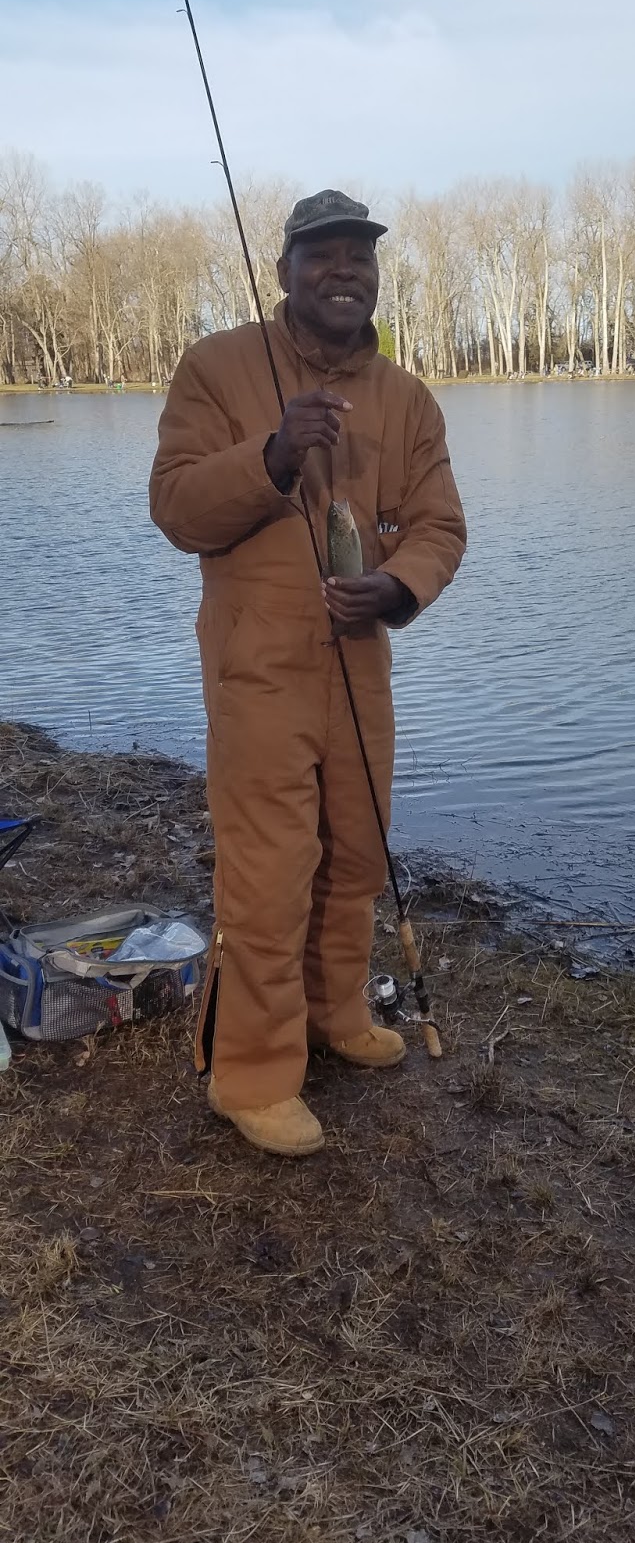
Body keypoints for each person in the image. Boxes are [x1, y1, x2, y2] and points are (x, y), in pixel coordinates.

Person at [149, 191, 466, 1157]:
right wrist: (274, 453)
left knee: (356, 851)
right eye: (322, 255)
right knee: (270, 872)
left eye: (359, 257)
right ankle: (250, 1074)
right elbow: (176, 509)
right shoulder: (217, 367)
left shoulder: (407, 398)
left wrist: (398, 587)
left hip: (360, 667)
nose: (344, 272)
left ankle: (337, 1012)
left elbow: (441, 526)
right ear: (285, 270)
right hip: (260, 671)